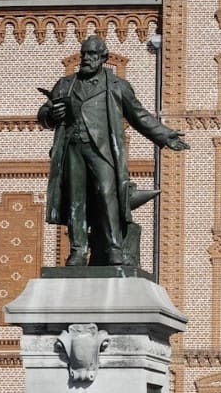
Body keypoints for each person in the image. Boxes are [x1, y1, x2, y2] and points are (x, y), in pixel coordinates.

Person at [39, 35, 188, 269]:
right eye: (84, 54)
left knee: (108, 195)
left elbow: (139, 115)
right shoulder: (66, 84)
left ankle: (114, 247)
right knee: (76, 200)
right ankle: (78, 250)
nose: (86, 59)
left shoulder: (117, 86)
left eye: (92, 54)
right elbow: (44, 114)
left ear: (103, 58)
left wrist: (165, 135)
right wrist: (51, 115)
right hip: (72, 148)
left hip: (103, 150)